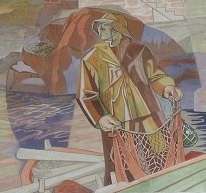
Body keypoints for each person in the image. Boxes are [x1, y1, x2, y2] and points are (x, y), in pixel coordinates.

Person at [77, 12, 183, 184]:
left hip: (148, 112)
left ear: (116, 29)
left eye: (104, 26)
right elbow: (87, 94)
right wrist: (100, 117)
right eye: (99, 28)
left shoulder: (139, 51)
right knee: (120, 162)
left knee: (160, 152)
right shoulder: (92, 58)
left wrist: (166, 87)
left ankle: (166, 184)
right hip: (116, 119)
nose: (99, 31)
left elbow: (155, 76)